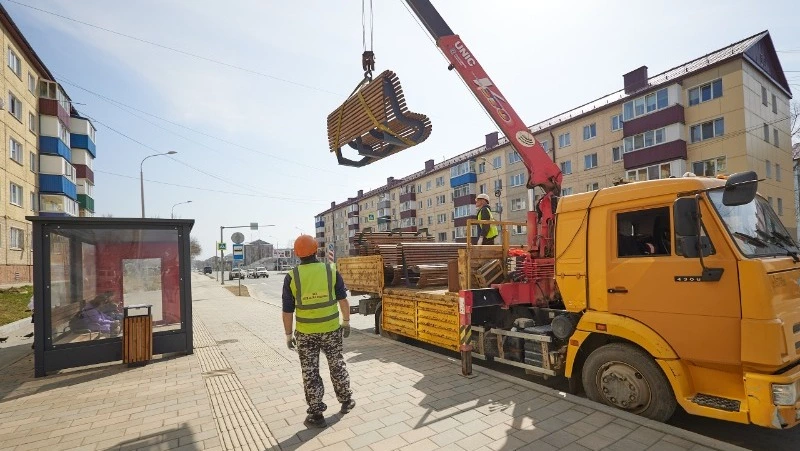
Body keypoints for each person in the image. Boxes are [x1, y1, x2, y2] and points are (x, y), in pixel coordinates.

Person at [282, 234, 355, 428]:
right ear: (316, 250)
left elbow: (287, 311)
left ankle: (316, 414)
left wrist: (288, 335)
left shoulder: (292, 276)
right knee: (337, 364)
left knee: (310, 372)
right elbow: (343, 300)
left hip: (306, 333)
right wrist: (346, 322)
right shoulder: (330, 270)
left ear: (297, 254)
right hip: (331, 329)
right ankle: (346, 401)